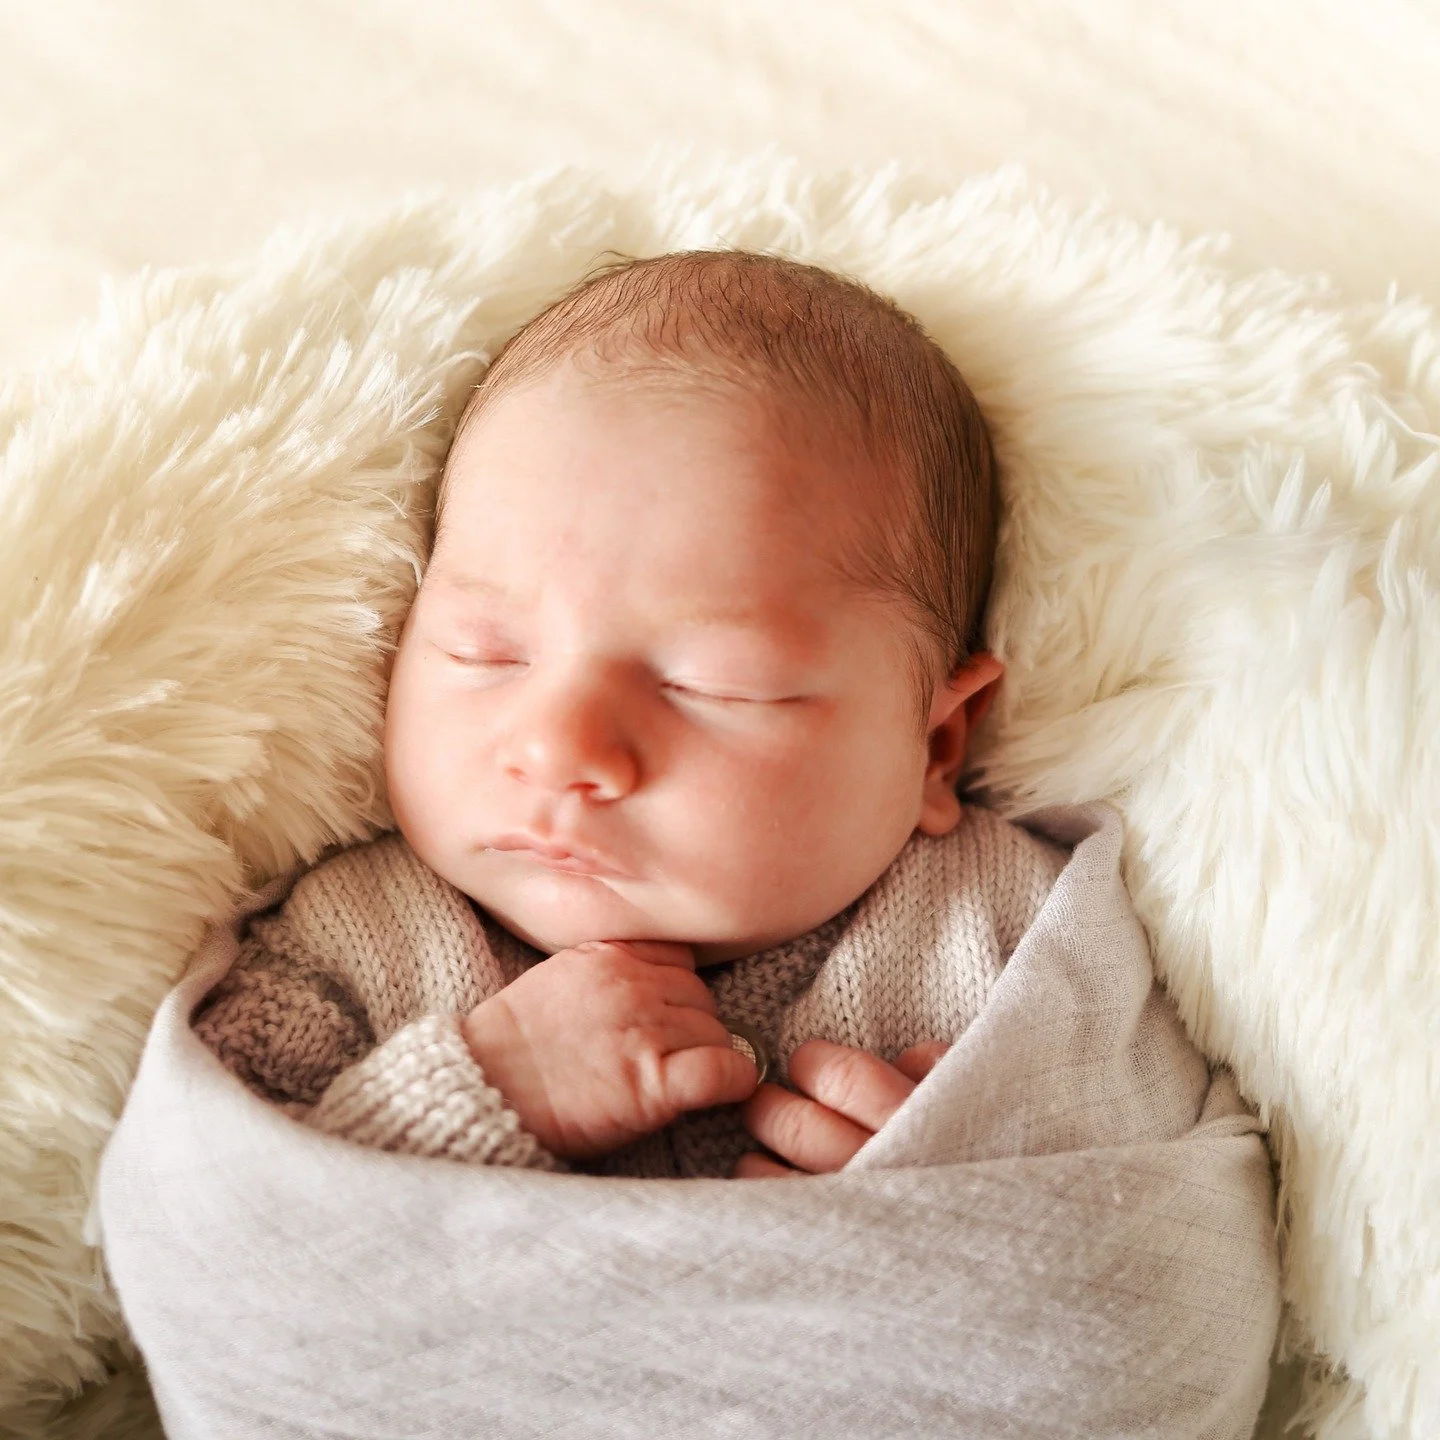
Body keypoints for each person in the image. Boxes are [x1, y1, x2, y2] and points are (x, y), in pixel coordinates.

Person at [194, 250, 1133, 1179]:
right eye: (487, 652)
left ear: (934, 745)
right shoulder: (342, 947)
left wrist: (955, 1196)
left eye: (713, 685)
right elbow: (196, 1225)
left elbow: (1164, 1229)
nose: (558, 747)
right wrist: (469, 1099)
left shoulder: (1019, 932)